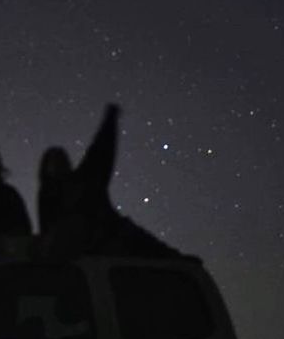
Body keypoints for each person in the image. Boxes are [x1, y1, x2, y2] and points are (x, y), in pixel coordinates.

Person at [38, 104, 181, 259]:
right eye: (54, 160)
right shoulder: (47, 195)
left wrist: (109, 121)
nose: (58, 163)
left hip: (112, 237)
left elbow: (100, 152)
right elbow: (47, 228)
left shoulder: (84, 180)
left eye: (61, 158)